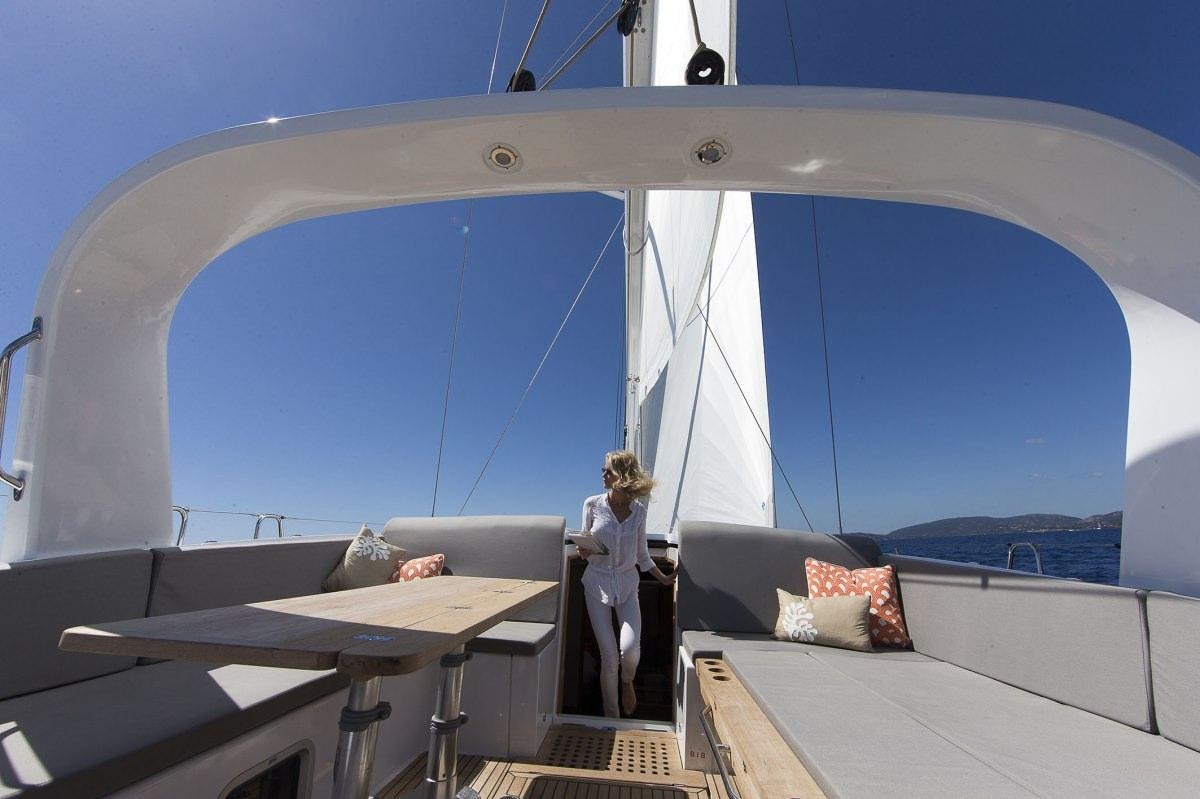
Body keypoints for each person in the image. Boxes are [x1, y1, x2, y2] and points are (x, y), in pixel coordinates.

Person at [577, 450, 676, 718]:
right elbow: (584, 543)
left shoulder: (639, 512)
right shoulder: (591, 504)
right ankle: (613, 718)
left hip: (627, 585)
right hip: (596, 585)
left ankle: (627, 682)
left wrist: (664, 578)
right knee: (609, 657)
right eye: (603, 469)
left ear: (623, 475)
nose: (603, 474)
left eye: (608, 470)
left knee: (630, 651)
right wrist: (586, 550)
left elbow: (642, 555)